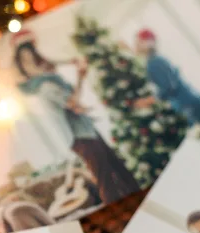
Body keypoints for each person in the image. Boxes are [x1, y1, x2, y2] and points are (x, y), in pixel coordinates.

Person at [13, 30, 140, 204]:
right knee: (106, 179)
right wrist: (80, 77)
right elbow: (73, 103)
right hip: (82, 137)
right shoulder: (47, 87)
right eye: (38, 58)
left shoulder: (51, 84)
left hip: (87, 132)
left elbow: (75, 104)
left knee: (117, 168)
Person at [134, 29, 200, 125]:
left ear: (146, 44)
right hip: (189, 102)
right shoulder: (156, 59)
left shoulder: (154, 62)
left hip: (188, 104)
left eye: (138, 43)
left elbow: (169, 87)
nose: (136, 46)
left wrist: (147, 101)